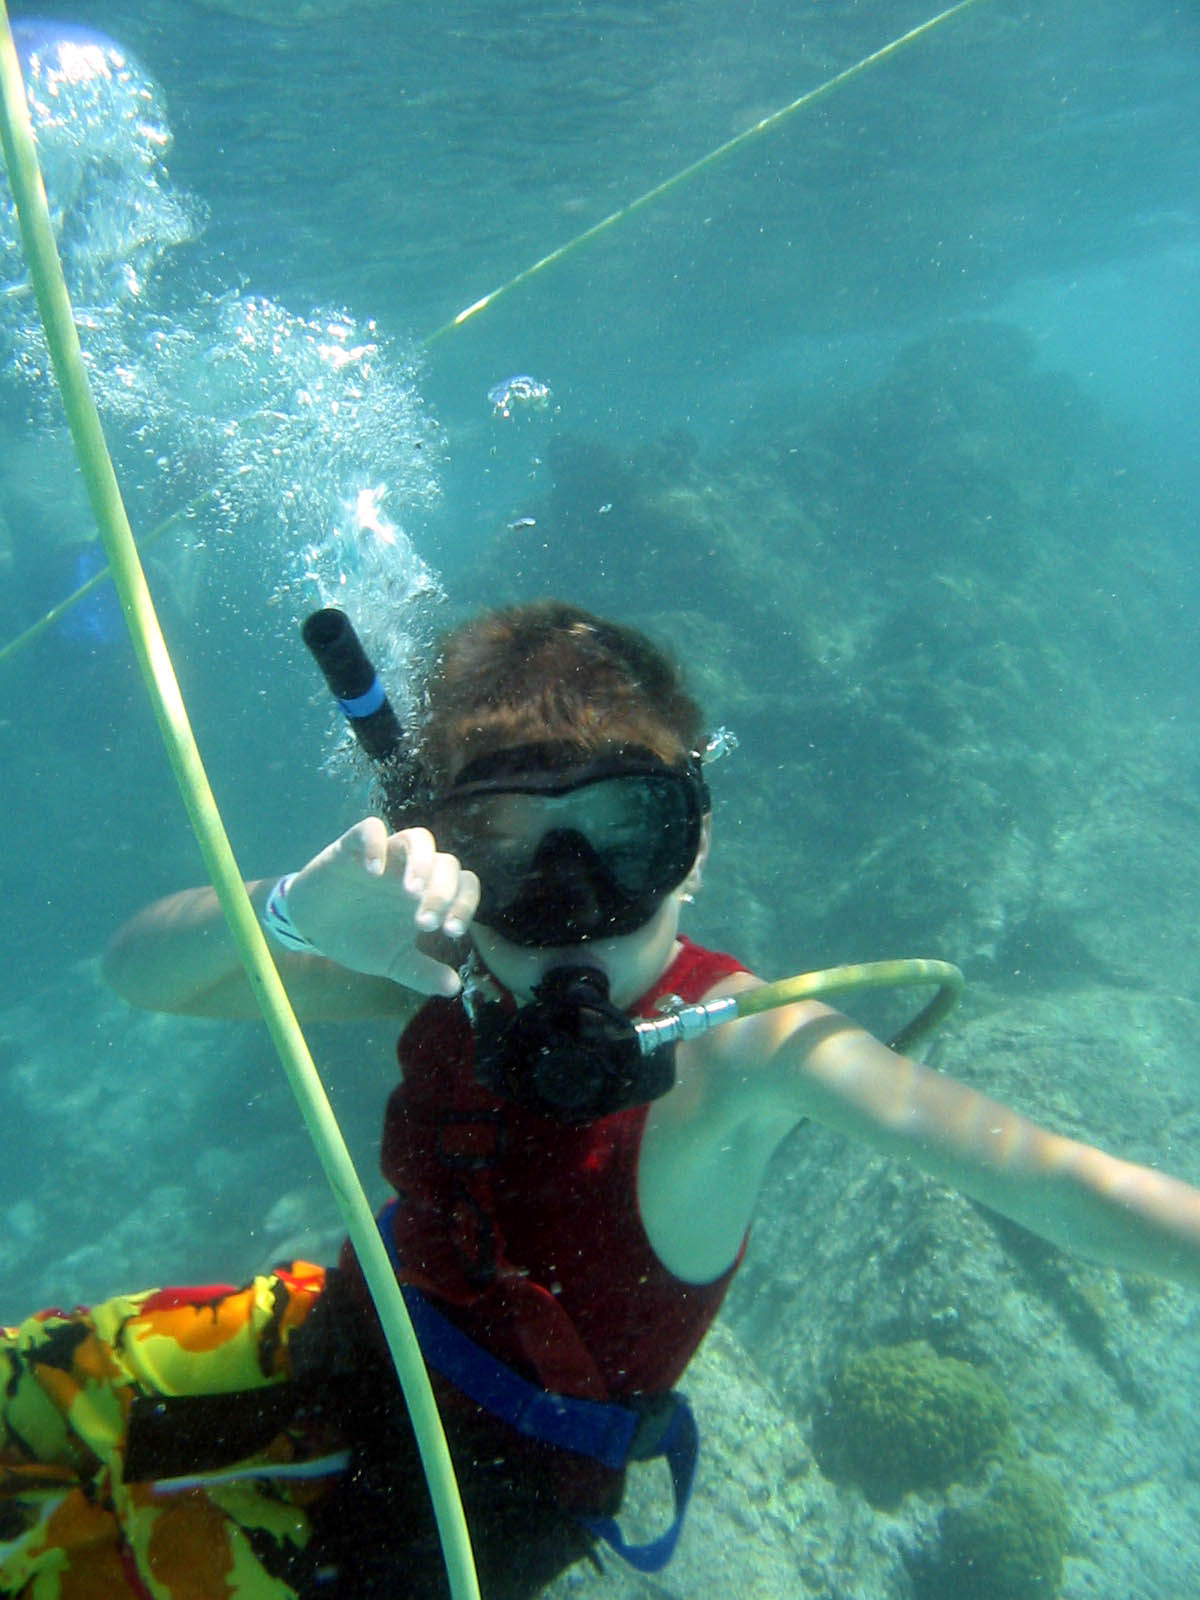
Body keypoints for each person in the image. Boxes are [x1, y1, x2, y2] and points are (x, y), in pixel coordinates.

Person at [4, 600, 1200, 1600]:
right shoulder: (439, 969)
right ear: (447, 862)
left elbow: (1056, 1184)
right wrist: (292, 914)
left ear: (697, 843)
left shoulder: (751, 1047)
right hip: (313, 1338)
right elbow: (140, 972)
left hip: (443, 1520)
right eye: (512, 850)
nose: (576, 904)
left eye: (627, 837)